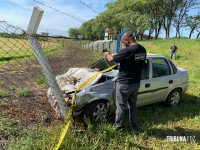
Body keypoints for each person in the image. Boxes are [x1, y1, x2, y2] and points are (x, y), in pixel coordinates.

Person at [103, 32, 146, 133]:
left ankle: (118, 127)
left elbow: (111, 59)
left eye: (124, 42)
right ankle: (134, 127)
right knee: (133, 106)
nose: (124, 44)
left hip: (124, 84)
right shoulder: (142, 49)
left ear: (127, 40)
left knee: (121, 107)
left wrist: (106, 54)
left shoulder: (127, 50)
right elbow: (142, 63)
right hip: (136, 83)